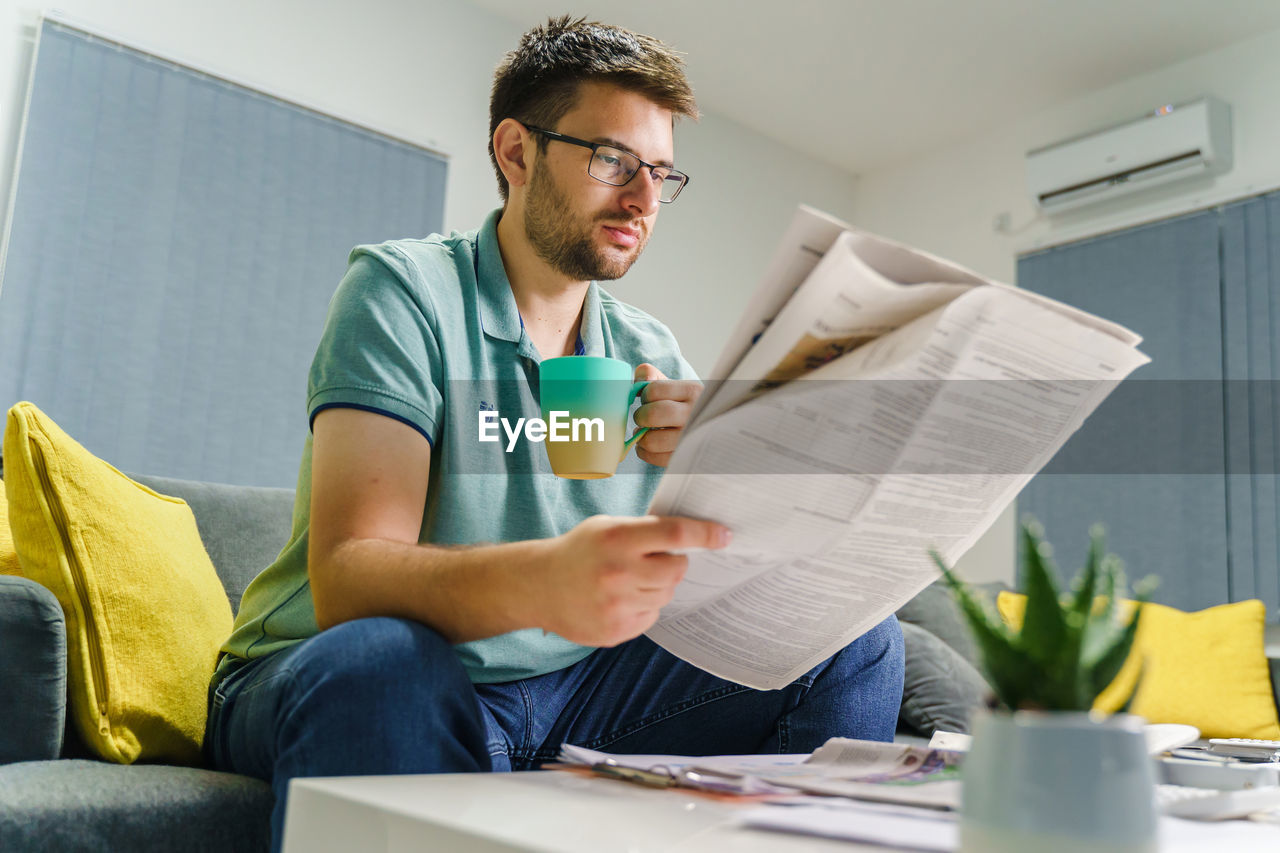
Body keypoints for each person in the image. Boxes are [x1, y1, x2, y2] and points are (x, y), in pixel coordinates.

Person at [206, 15, 904, 850]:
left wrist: (722, 470)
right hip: (338, 670)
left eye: (662, 174)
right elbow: (350, 581)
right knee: (383, 662)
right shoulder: (404, 291)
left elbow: (694, 582)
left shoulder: (645, 351)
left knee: (855, 639)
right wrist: (547, 582)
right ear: (516, 152)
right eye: (613, 160)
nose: (644, 199)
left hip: (567, 692)